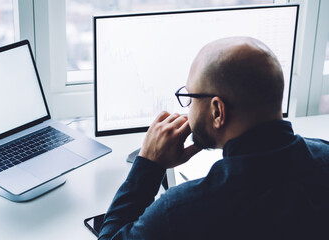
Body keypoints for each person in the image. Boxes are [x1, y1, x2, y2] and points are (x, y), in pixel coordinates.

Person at [98, 37, 329, 239]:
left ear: (217, 111)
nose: (187, 110)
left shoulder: (179, 212)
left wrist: (148, 166)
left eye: (190, 97)